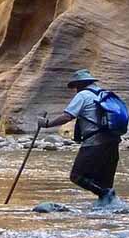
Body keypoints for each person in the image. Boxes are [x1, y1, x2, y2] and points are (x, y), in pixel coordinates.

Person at [38, 69, 121, 207]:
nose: (75, 90)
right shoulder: (104, 94)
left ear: (81, 84)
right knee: (105, 182)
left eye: (76, 86)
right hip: (113, 141)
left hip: (95, 143)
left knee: (77, 176)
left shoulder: (83, 95)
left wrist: (47, 124)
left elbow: (67, 116)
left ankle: (105, 195)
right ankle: (109, 213)